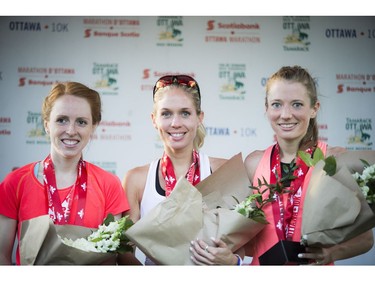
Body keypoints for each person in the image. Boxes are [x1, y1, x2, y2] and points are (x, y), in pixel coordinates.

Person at [243, 65, 374, 265]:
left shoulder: (333, 162)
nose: (285, 114)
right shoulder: (253, 163)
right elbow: (246, 240)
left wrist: (332, 253)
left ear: (314, 108)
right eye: (277, 104)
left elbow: (365, 239)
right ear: (266, 108)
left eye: (296, 104)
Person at [0, 82, 132, 265]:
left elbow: (111, 257)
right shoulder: (15, 182)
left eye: (81, 122)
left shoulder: (108, 184)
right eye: (62, 119)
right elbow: (2, 257)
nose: (71, 131)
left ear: (93, 126)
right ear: (46, 124)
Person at [119, 74, 243, 265]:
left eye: (185, 113)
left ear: (199, 118)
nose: (175, 123)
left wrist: (231, 261)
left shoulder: (223, 170)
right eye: (166, 113)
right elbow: (125, 252)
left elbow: (239, 247)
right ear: (154, 119)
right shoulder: (137, 179)